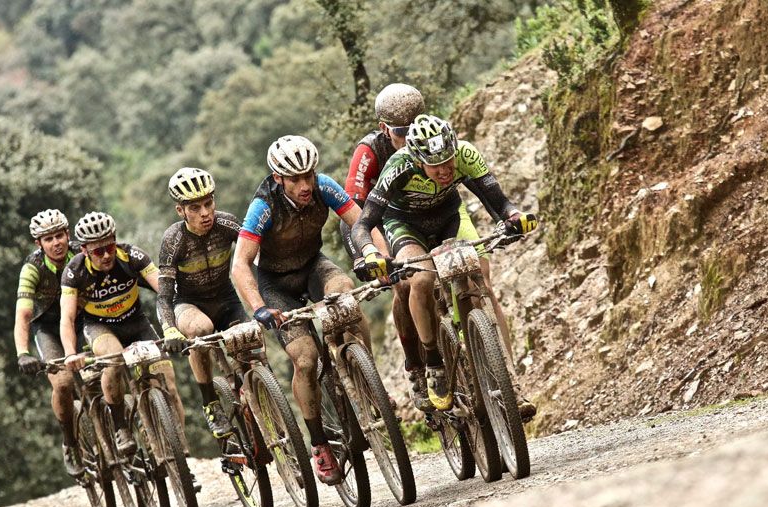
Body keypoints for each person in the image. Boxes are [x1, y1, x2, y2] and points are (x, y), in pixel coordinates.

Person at [350, 114, 538, 413]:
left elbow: (497, 199)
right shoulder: (399, 166)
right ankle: (433, 361)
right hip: (406, 225)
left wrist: (514, 216)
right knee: (421, 280)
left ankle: (509, 381)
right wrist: (370, 252)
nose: (445, 170)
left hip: (450, 219)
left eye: (448, 162)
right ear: (417, 159)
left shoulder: (465, 153)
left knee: (479, 279)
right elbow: (362, 224)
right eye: (435, 165)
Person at [231, 135, 367, 485]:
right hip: (275, 287)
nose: (305, 185)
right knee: (305, 359)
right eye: (295, 180)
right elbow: (240, 265)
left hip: (313, 267)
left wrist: (380, 255)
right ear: (278, 179)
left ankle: (362, 377)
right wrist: (258, 307)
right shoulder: (263, 206)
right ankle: (320, 444)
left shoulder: (324, 187)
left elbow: (361, 222)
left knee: (345, 295)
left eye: (309, 176)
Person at [60, 212, 188, 466]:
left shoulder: (132, 256)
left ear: (115, 240)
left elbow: (165, 291)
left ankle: (179, 449)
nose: (106, 255)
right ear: (85, 250)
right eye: (98, 252)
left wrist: (174, 325)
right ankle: (121, 426)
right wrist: (70, 353)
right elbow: (66, 318)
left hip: (135, 322)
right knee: (114, 361)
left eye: (109, 247)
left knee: (168, 382)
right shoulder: (74, 272)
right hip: (99, 327)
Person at [340, 83, 430, 409]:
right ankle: (415, 367)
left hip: (418, 213)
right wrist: (377, 253)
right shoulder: (370, 151)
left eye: (415, 129)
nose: (409, 139)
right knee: (403, 283)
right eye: (401, 132)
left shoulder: (433, 137)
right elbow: (355, 213)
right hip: (373, 220)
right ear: (384, 129)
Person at [156, 167, 246, 444]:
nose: (205, 213)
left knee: (251, 349)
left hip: (226, 299)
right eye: (195, 207)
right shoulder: (173, 240)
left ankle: (263, 399)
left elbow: (254, 256)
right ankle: (210, 403)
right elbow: (164, 296)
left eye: (209, 203)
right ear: (180, 211)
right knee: (201, 329)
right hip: (189, 304)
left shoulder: (227, 224)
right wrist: (170, 330)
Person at [13, 209, 83, 476]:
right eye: (48, 239)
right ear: (38, 244)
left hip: (81, 322)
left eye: (59, 236)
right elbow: (23, 315)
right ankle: (70, 440)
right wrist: (23, 353)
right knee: (63, 383)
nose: (56, 243)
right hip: (49, 329)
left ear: (67, 234)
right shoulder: (32, 269)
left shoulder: (80, 255)